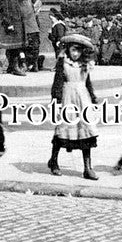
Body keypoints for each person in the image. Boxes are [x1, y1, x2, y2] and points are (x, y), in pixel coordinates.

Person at [48, 34, 99, 180]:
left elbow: (87, 82)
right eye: (72, 50)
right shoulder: (63, 63)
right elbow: (57, 82)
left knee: (86, 131)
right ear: (68, 50)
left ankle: (87, 168)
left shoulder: (85, 65)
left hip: (83, 100)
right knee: (63, 130)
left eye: (78, 50)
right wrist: (56, 100)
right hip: (68, 98)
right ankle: (54, 161)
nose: (75, 53)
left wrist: (93, 98)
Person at [19, 0, 42, 72]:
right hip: (26, 28)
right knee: (26, 47)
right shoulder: (23, 2)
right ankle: (27, 64)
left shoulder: (34, 1)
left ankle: (33, 64)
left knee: (34, 47)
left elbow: (36, 10)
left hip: (33, 27)